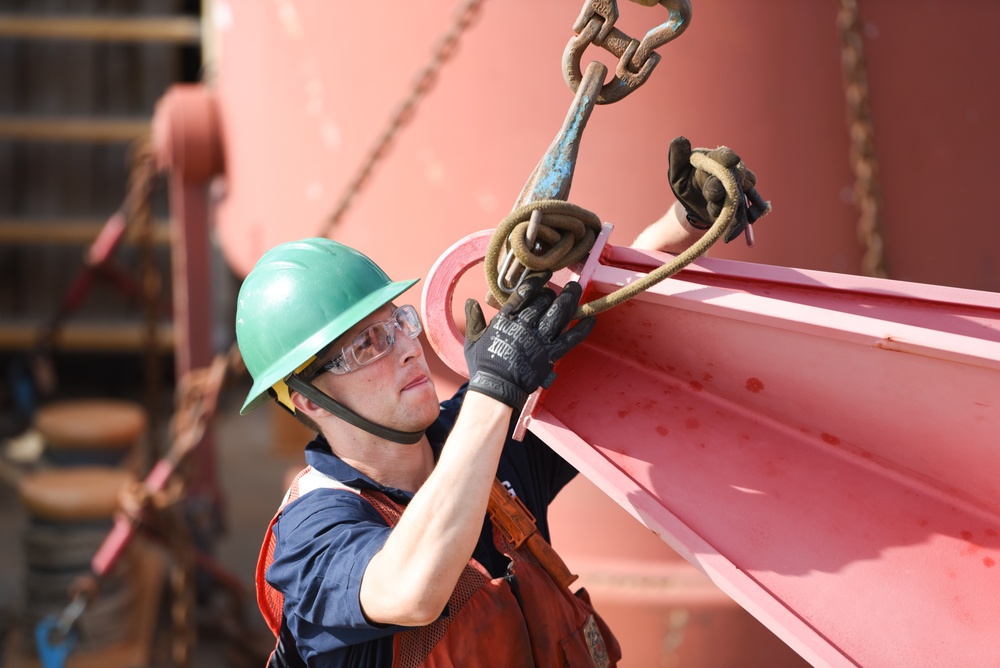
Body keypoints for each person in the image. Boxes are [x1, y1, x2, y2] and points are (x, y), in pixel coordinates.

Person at [235, 137, 766, 667]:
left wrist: (686, 224)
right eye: (366, 345)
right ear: (309, 401)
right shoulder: (313, 532)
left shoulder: (473, 435)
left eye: (397, 323)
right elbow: (410, 590)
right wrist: (493, 390)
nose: (405, 349)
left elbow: (590, 334)